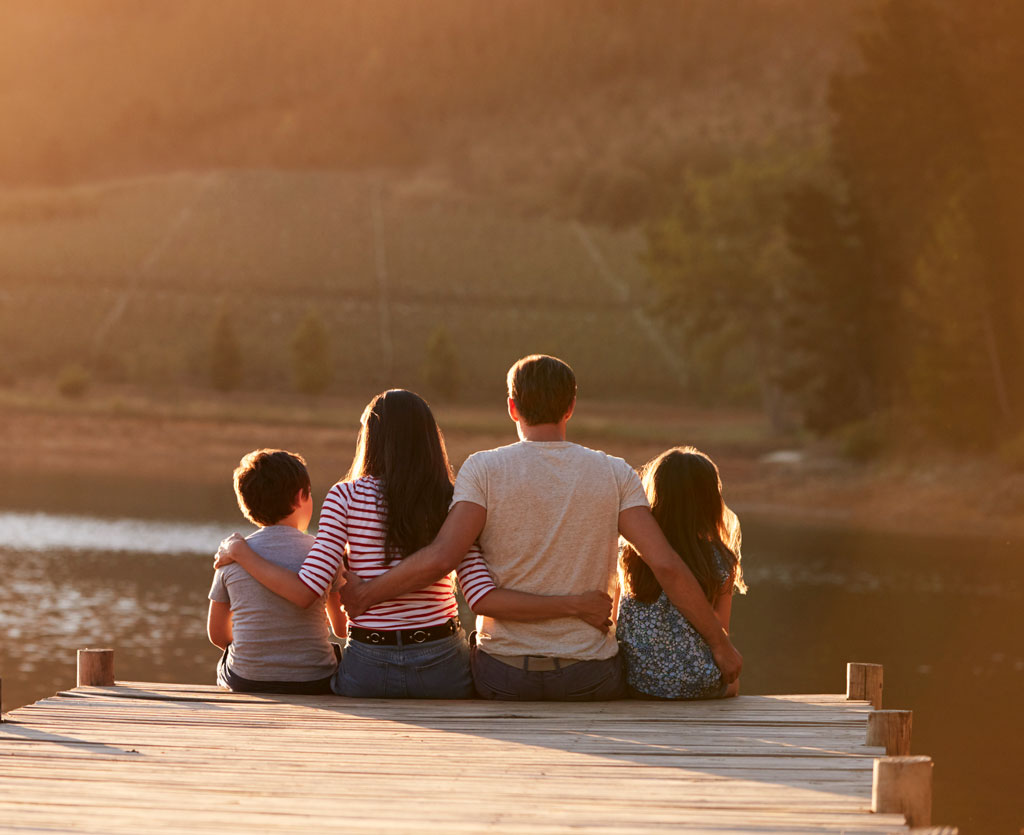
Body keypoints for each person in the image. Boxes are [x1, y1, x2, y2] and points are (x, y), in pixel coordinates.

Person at [340, 355, 743, 701]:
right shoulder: (615, 473)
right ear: (570, 406)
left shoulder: (483, 469)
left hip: (502, 676)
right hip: (589, 676)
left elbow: (444, 556)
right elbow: (667, 566)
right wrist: (720, 646)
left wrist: (365, 595)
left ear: (512, 407)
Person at [215, 389, 612, 699]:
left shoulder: (345, 497)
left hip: (367, 668)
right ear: (428, 437)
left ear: (370, 437)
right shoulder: (451, 498)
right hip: (442, 668)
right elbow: (478, 591)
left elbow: (307, 590)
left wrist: (241, 552)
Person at [208, 449, 346, 694]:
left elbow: (217, 635)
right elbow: (341, 628)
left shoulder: (229, 554)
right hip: (315, 679)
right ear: (300, 496)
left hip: (246, 679)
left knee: (227, 661)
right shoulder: (324, 554)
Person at [617, 447, 746, 699]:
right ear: (710, 501)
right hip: (699, 684)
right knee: (734, 685)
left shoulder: (630, 554)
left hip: (637, 682)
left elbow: (615, 622)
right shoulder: (721, 560)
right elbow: (721, 629)